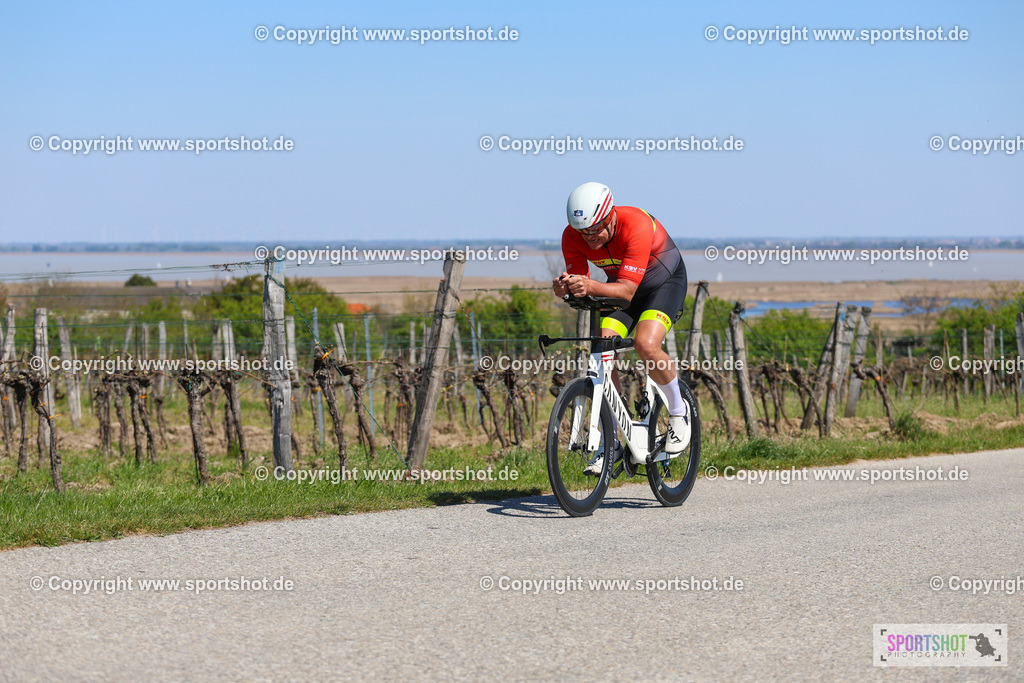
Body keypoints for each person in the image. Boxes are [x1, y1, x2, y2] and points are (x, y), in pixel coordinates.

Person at [552, 182, 690, 475]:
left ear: (610, 215)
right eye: (582, 232)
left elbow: (627, 292)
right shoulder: (572, 235)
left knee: (645, 344)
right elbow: (582, 285)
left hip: (662, 286)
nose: (589, 238)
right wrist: (564, 288)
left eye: (595, 229)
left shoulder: (637, 224)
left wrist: (590, 284)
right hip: (620, 288)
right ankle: (612, 438)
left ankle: (679, 413)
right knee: (603, 346)